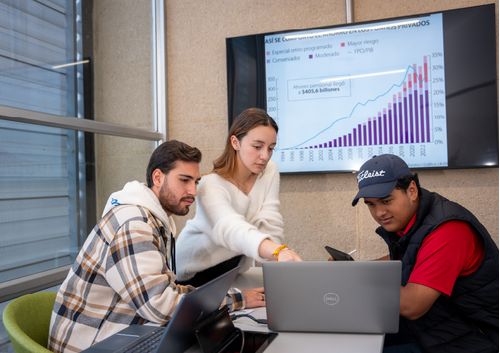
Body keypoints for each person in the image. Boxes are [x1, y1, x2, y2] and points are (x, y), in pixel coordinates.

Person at [48, 140, 254, 353]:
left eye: (196, 182)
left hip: (119, 334)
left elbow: (164, 289)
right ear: (158, 177)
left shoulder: (154, 220)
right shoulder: (134, 225)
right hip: (89, 346)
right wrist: (235, 300)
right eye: (184, 180)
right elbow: (159, 305)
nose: (193, 191)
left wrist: (233, 297)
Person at [351, 154, 498, 353]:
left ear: (411, 190)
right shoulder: (413, 221)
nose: (379, 213)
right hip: (439, 328)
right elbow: (407, 261)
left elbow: (413, 306)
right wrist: (352, 267)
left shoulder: (448, 230)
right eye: (371, 204)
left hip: (474, 340)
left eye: (386, 201)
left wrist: (352, 279)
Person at [175, 108, 301, 287]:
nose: (265, 156)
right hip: (194, 273)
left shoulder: (269, 171)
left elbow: (270, 221)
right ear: (235, 142)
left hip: (232, 269)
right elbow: (231, 228)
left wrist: (280, 267)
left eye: (271, 148)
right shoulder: (209, 185)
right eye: (257, 147)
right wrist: (277, 251)